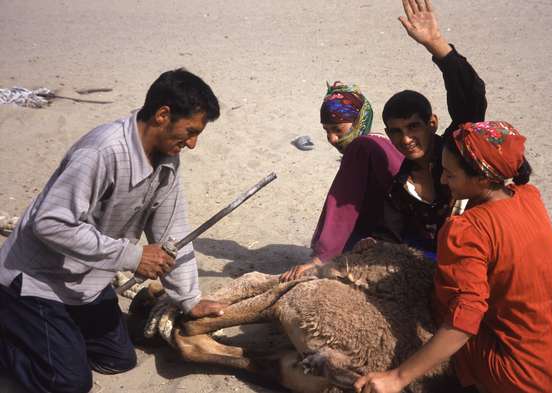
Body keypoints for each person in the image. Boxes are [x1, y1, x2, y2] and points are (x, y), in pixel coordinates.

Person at [0, 68, 227, 393]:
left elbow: (171, 230)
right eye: (190, 131)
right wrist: (132, 256)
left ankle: (54, 331)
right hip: (36, 281)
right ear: (163, 115)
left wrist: (189, 299)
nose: (192, 144)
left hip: (86, 282)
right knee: (68, 383)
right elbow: (49, 223)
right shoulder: (102, 151)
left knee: (118, 359)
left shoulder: (168, 160)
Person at [354, 121, 552, 393]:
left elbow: (464, 320)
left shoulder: (465, 230)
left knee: (437, 303)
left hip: (533, 380)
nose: (443, 181)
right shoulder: (529, 197)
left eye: (450, 174)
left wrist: (398, 377)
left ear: (482, 178)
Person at [380, 0, 486, 258]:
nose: (406, 139)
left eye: (413, 126)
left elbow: (471, 99)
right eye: (396, 131)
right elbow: (388, 238)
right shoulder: (399, 188)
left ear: (432, 124)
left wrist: (436, 44)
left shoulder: (458, 149)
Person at [280, 82, 404, 281]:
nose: (332, 139)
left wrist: (322, 258)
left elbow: (343, 204)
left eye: (338, 129)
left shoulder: (361, 148)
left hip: (398, 233)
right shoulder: (380, 141)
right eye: (326, 131)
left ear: (359, 121)